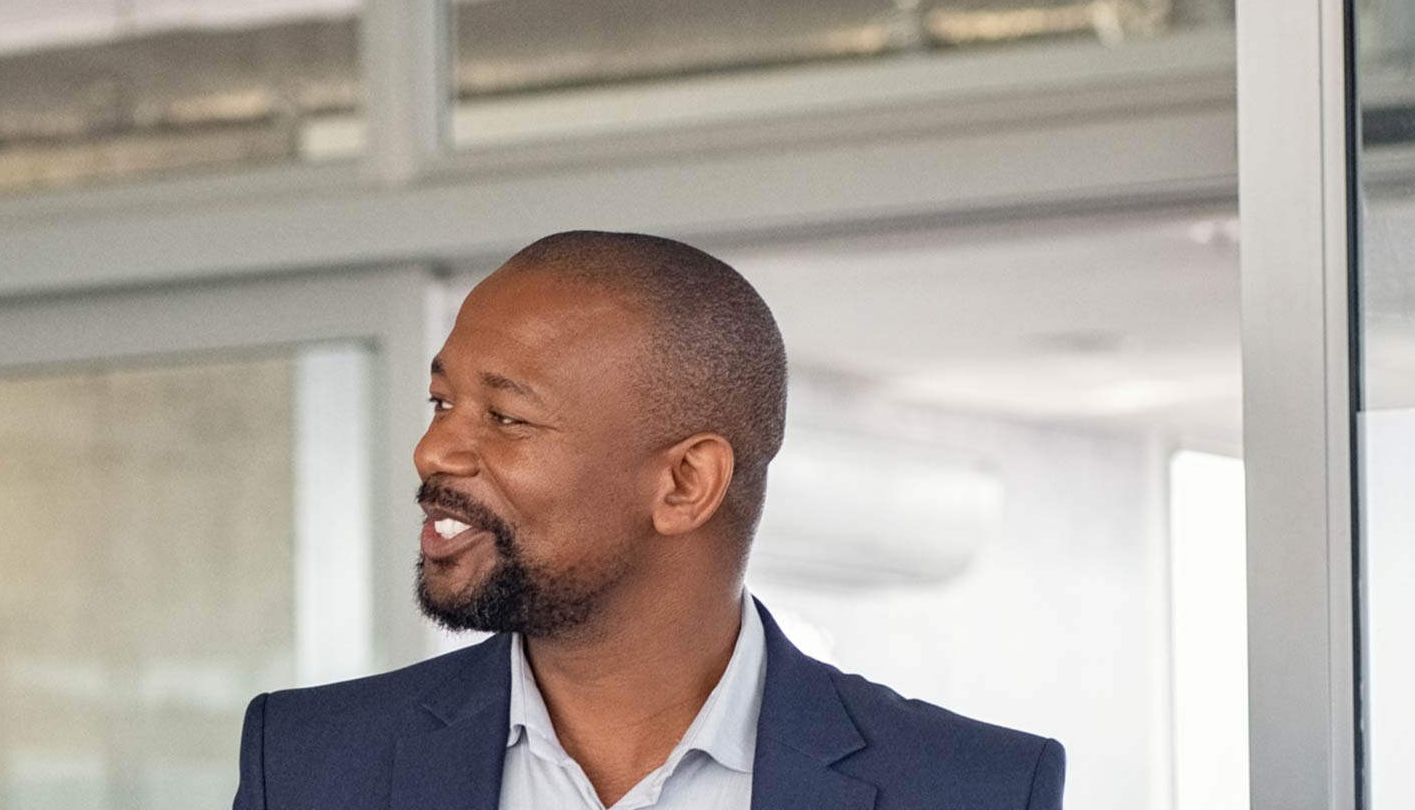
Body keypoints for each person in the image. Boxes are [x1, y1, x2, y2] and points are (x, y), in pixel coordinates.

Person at [231, 231, 1064, 810]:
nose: (433, 450)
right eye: (441, 400)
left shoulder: (973, 790)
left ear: (685, 482)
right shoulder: (310, 764)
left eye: (507, 418)